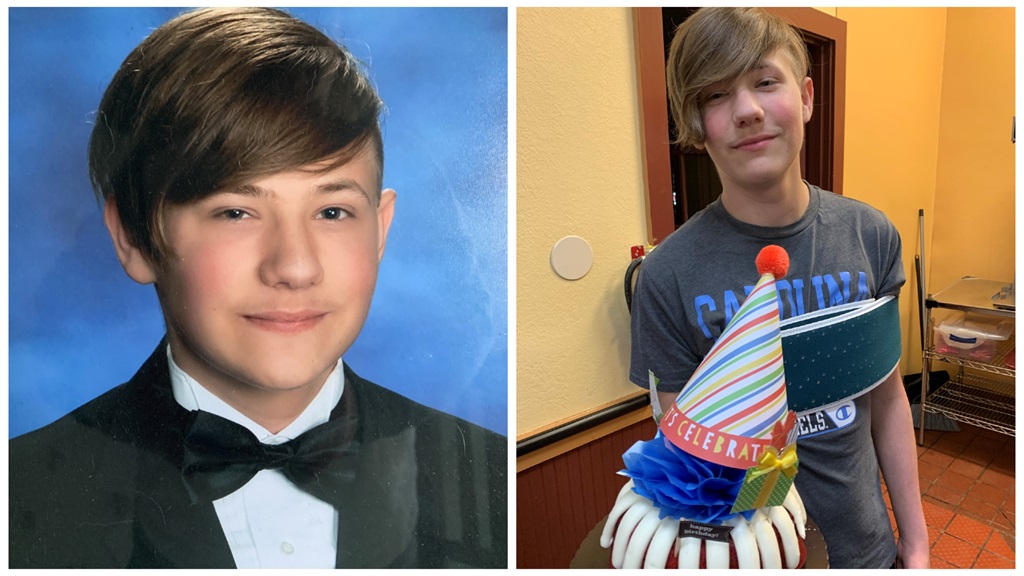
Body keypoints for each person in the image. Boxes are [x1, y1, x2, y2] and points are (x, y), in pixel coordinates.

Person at [9, 7, 506, 569]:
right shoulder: (22, 501)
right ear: (133, 237)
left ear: (381, 228)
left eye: (334, 210)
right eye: (235, 212)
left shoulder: (489, 477)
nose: (294, 267)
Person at [629, 7, 927, 569]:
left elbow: (887, 402)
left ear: (807, 96)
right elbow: (690, 458)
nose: (747, 110)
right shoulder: (667, 277)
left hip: (869, 552)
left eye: (766, 82)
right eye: (715, 95)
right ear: (696, 122)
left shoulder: (871, 237)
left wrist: (916, 544)